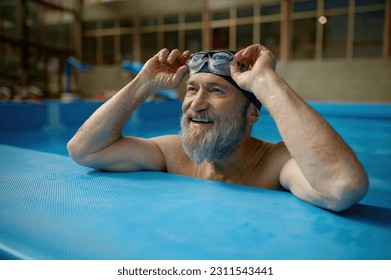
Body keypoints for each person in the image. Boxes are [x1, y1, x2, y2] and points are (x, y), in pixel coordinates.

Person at [67, 44, 368, 212]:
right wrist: (143, 84)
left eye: (216, 90)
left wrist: (265, 82)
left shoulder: (275, 166)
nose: (196, 104)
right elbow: (84, 150)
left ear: (252, 112)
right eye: (192, 89)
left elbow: (341, 186)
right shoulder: (173, 154)